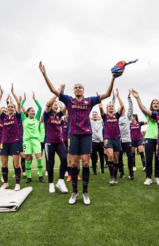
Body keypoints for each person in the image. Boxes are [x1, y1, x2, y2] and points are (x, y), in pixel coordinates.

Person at [39, 61, 115, 205]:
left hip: (86, 135)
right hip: (73, 135)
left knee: (85, 163)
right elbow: (53, 90)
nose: (78, 89)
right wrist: (45, 75)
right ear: (73, 91)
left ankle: (85, 193)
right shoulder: (68, 100)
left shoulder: (89, 101)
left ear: (83, 91)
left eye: (80, 87)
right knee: (73, 164)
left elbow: (107, 94)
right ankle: (74, 192)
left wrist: (113, 77)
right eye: (76, 87)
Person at [0, 85, 22, 191]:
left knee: (16, 163)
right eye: (9, 107)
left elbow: (19, 103)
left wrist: (13, 93)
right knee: (4, 163)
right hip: (4, 142)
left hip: (15, 142)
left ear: (14, 109)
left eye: (12, 107)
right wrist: (1, 95)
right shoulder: (4, 117)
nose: (10, 108)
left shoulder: (17, 117)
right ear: (6, 109)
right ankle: (6, 183)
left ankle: (17, 183)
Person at [43, 92, 68, 194]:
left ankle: (61, 181)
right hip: (49, 143)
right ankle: (51, 184)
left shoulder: (58, 116)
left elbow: (66, 107)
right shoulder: (46, 115)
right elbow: (48, 103)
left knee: (64, 159)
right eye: (55, 105)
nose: (56, 106)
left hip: (59, 142)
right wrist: (57, 95)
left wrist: (68, 99)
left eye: (57, 106)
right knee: (50, 164)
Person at [99, 89, 124, 184]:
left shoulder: (117, 115)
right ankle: (111, 177)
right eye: (109, 106)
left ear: (114, 108)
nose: (111, 107)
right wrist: (100, 101)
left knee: (116, 158)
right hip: (107, 138)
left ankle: (115, 177)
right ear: (107, 108)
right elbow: (101, 109)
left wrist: (117, 96)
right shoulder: (105, 116)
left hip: (117, 138)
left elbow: (122, 106)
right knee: (110, 155)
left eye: (112, 106)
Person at [138, 98, 159, 186]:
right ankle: (148, 178)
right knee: (148, 158)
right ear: (151, 105)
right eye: (154, 103)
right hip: (149, 138)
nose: (155, 104)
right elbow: (142, 107)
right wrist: (138, 98)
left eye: (157, 103)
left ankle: (157, 177)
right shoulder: (148, 114)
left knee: (158, 159)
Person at [21, 92, 45, 183]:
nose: (33, 112)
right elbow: (19, 107)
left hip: (36, 141)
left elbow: (40, 108)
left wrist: (35, 100)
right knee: (27, 159)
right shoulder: (24, 119)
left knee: (39, 158)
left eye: (34, 111)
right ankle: (29, 177)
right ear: (27, 112)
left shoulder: (37, 119)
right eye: (31, 111)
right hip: (27, 141)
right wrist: (23, 100)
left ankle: (40, 175)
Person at [111, 90, 134, 179]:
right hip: (118, 140)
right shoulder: (115, 117)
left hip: (127, 140)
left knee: (130, 156)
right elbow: (111, 108)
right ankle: (121, 173)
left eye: (122, 109)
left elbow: (130, 108)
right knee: (119, 157)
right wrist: (113, 98)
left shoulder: (128, 117)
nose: (121, 110)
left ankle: (131, 173)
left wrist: (128, 99)